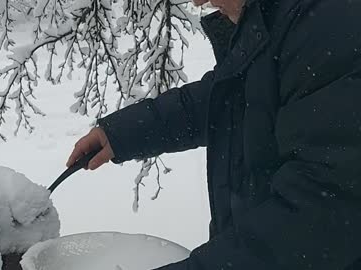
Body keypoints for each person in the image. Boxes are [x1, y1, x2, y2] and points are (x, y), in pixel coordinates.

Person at [67, 0, 361, 269]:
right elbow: (230, 98)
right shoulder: (279, 17)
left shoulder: (327, 22)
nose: (198, 1)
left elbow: (320, 218)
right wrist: (122, 133)